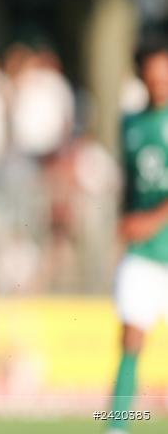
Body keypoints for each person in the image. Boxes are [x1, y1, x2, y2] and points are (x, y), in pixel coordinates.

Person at [106, 36, 168, 434]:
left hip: (157, 235)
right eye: (153, 73)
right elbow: (129, 191)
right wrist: (127, 222)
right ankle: (117, 426)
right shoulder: (129, 123)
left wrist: (155, 217)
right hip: (145, 252)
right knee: (130, 338)